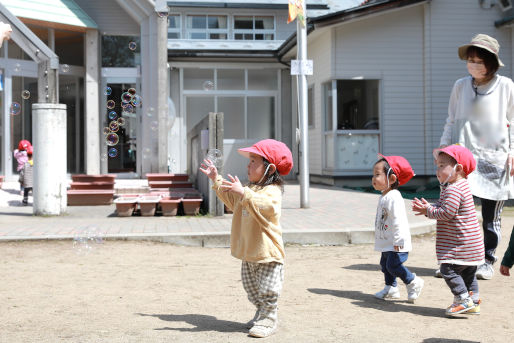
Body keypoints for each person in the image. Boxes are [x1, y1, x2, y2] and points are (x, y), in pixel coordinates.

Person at [199, 139, 293, 338]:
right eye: (249, 161)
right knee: (251, 289)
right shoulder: (251, 188)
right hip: (250, 251)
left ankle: (269, 318)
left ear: (269, 168)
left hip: (268, 253)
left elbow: (268, 206)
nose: (248, 165)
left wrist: (244, 192)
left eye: (253, 161)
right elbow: (234, 202)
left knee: (268, 289)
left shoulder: (272, 191)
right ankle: (261, 313)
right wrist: (216, 180)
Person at [438, 34, 514, 280]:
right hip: (463, 159)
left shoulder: (506, 86)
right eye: (470, 60)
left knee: (490, 216)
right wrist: (443, 149)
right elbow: (451, 119)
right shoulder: (460, 86)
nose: (473, 65)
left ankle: (487, 260)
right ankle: (454, 260)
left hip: (495, 158)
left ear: (491, 62)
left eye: (479, 61)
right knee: (455, 212)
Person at [413, 145, 485, 316]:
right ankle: (473, 301)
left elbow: (446, 213)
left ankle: (462, 299)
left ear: (458, 169)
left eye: (441, 165)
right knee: (468, 274)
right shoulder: (460, 186)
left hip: (460, 246)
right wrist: (430, 207)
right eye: (437, 165)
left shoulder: (453, 189)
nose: (437, 170)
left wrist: (427, 211)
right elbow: (446, 207)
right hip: (471, 246)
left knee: (448, 269)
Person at [372, 154, 424, 303]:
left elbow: (398, 220)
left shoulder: (394, 196)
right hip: (387, 241)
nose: (373, 178)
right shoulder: (384, 196)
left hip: (397, 241)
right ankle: (391, 288)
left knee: (393, 265)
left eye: (377, 174)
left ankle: (413, 281)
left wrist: (399, 239)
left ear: (392, 179)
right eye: (373, 175)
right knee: (385, 265)